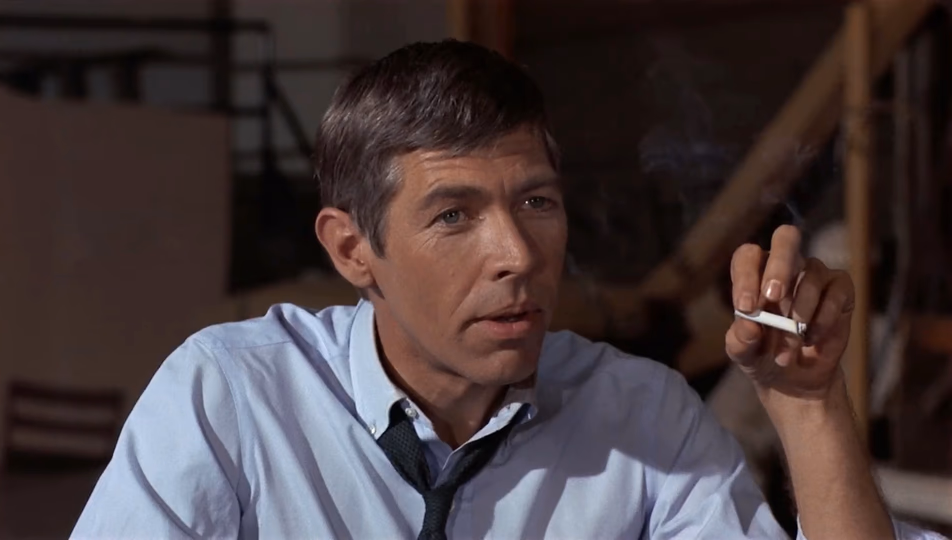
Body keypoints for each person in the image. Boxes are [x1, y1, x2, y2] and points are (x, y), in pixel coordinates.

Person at [71, 40, 945, 540]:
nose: (518, 254)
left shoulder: (644, 421)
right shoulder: (233, 397)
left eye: (537, 203)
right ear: (351, 249)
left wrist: (810, 406)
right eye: (454, 215)